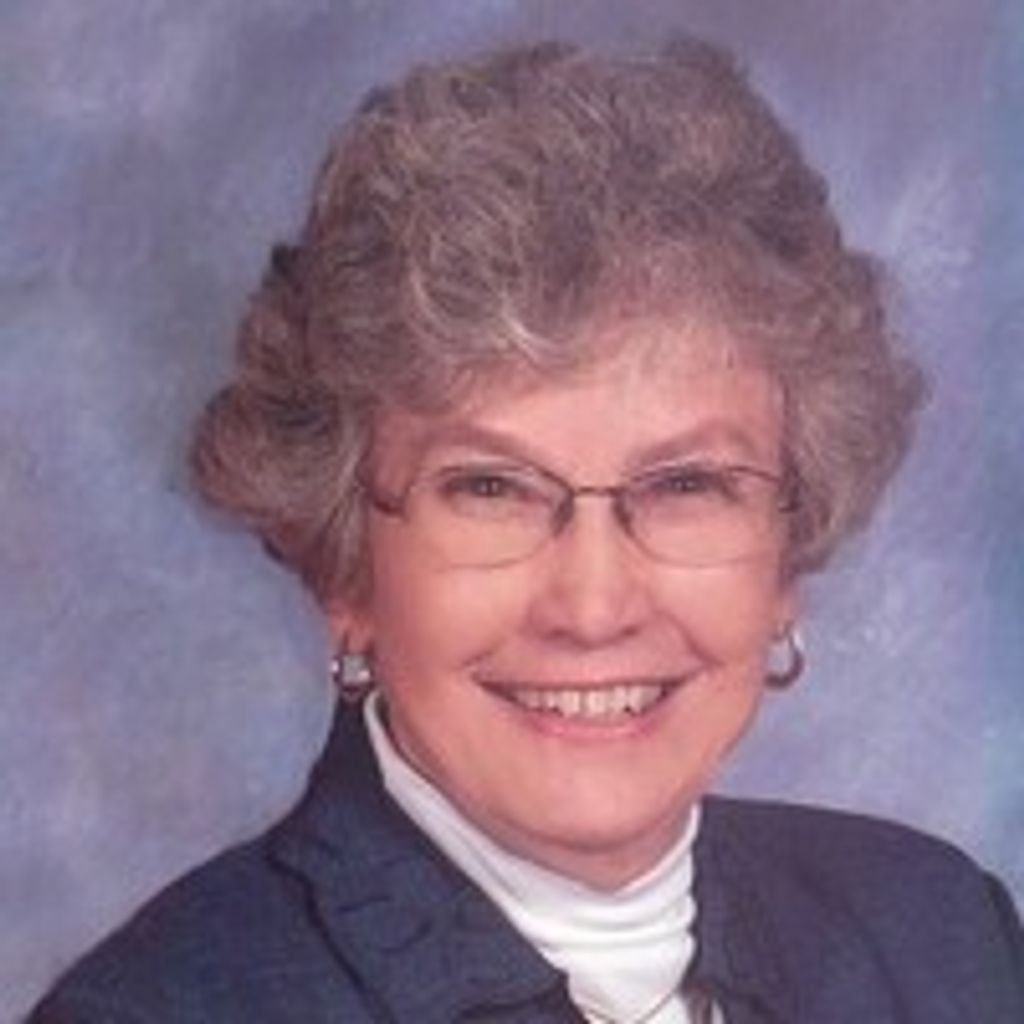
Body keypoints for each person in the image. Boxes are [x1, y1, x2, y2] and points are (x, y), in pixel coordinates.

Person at [29, 35, 1024, 1024]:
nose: (592, 606)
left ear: (786, 560)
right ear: (343, 572)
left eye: (686, 484)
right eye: (491, 488)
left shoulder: (940, 935)